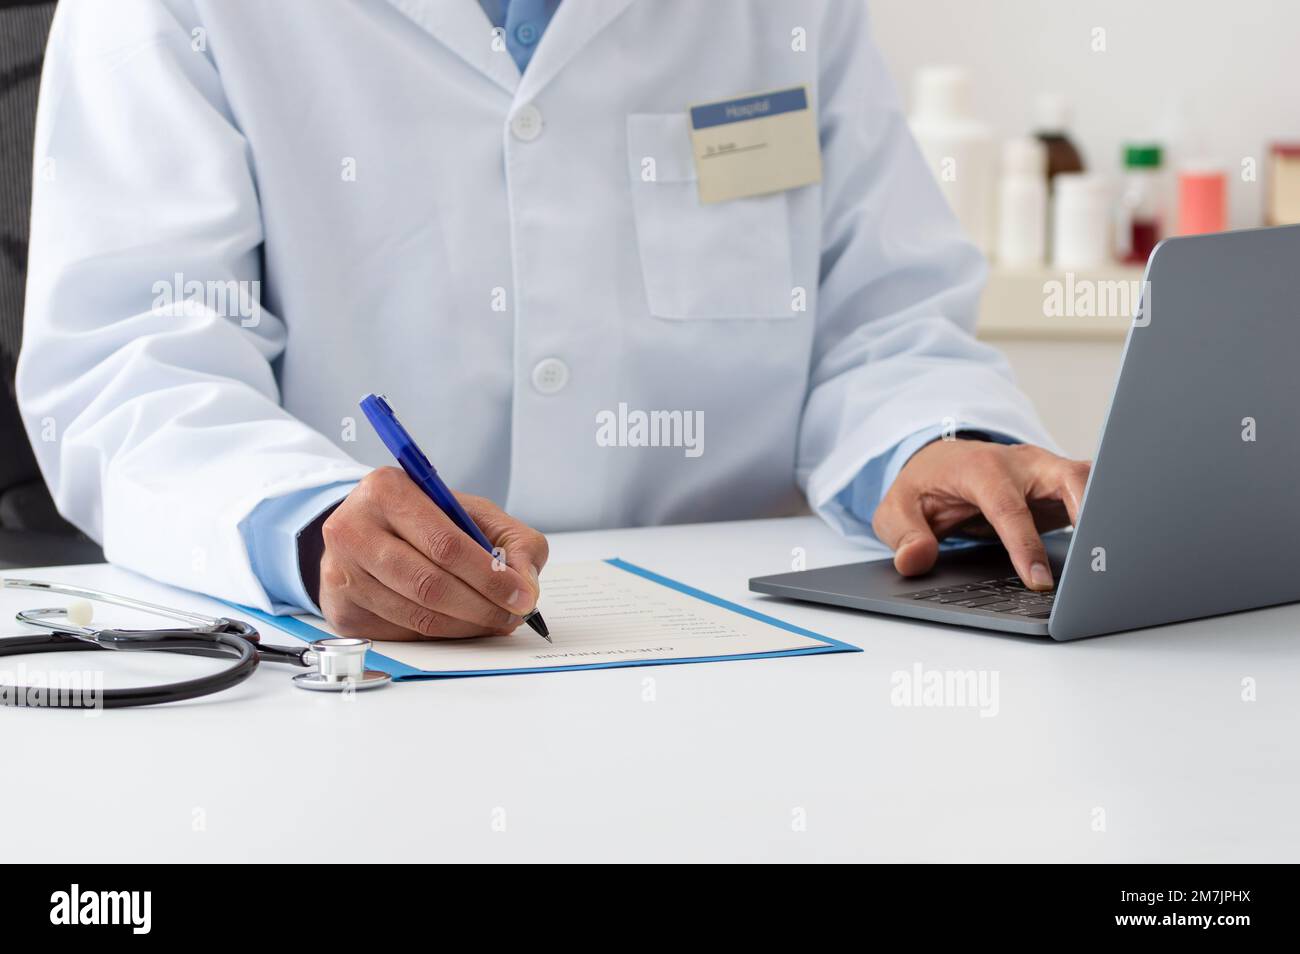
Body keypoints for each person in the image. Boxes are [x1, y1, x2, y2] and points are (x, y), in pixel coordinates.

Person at [18, 0, 1088, 641]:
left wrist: (934, 443)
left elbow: (877, 316)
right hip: (358, 678)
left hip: (751, 658)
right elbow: (135, 370)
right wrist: (310, 524)